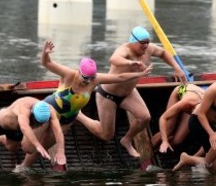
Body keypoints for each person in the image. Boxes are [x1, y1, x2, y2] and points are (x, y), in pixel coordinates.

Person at [16, 40, 154, 171]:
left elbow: (119, 78)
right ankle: (9, 137)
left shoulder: (95, 79)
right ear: (79, 72)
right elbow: (47, 64)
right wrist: (45, 53)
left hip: (67, 119)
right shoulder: (69, 75)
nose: (88, 81)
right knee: (28, 147)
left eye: (91, 78)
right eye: (85, 78)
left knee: (42, 146)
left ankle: (23, 168)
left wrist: (139, 74)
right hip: (49, 111)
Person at [77, 26, 188, 158]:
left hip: (129, 93)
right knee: (106, 135)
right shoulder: (125, 50)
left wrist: (176, 68)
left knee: (144, 117)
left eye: (147, 42)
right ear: (133, 42)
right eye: (142, 43)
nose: (146, 46)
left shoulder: (149, 48)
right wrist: (131, 63)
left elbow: (163, 53)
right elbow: (114, 59)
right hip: (108, 96)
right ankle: (79, 115)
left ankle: (127, 139)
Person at [154, 83, 206, 154]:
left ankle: (159, 152)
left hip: (199, 96)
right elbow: (163, 118)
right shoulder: (186, 102)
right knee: (168, 130)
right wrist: (164, 140)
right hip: (183, 90)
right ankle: (150, 147)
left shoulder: (208, 108)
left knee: (178, 140)